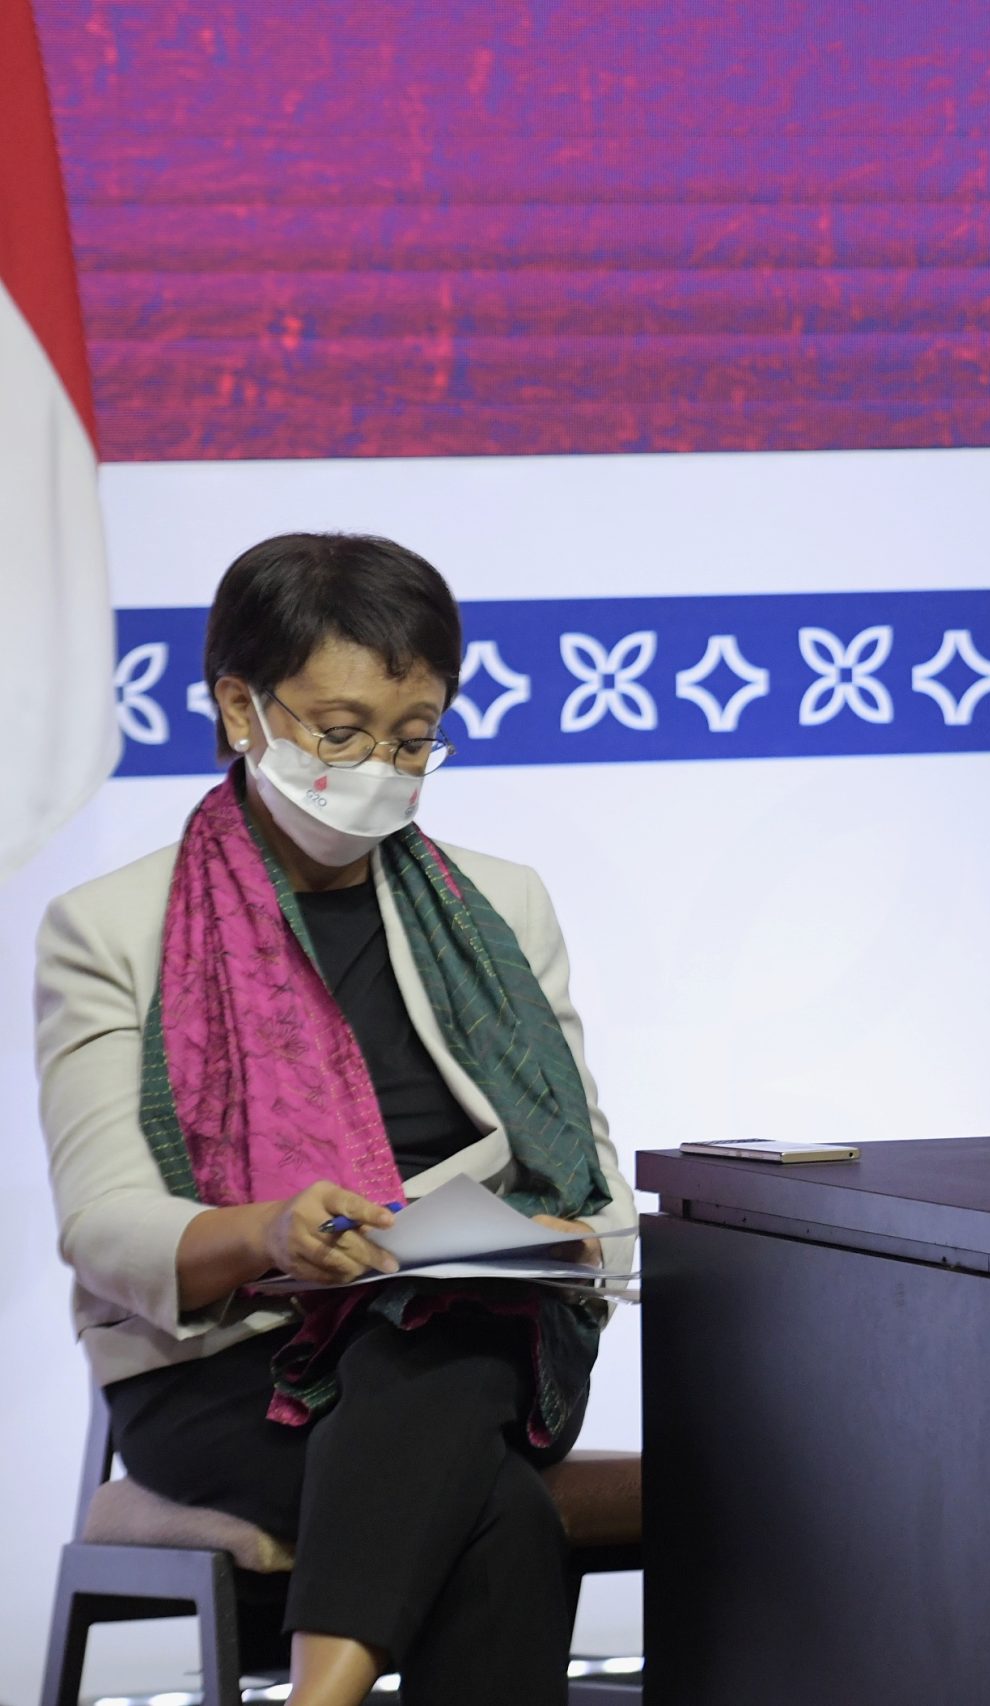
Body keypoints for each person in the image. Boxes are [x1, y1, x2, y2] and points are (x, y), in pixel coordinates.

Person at [35, 534, 636, 1706]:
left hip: (492, 1341)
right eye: (340, 730)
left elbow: (595, 1197)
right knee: (496, 1506)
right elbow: (104, 1227)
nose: (381, 768)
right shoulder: (108, 925)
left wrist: (539, 1237)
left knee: (428, 1321)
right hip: (226, 1369)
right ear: (239, 705)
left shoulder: (502, 905)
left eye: (415, 739)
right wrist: (269, 1234)